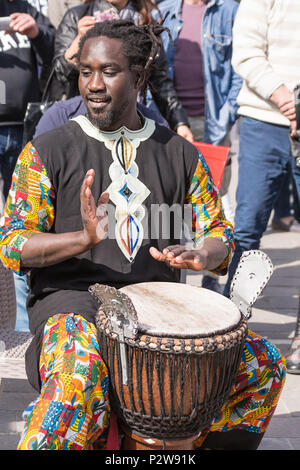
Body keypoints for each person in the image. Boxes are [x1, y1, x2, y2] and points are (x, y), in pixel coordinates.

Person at [0, 19, 285, 450]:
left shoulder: (180, 154)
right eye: (85, 71)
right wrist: (83, 238)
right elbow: (12, 243)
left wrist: (203, 256)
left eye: (109, 72)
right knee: (80, 371)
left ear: (140, 76)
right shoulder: (47, 151)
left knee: (263, 364)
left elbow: (219, 233)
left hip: (161, 318)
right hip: (73, 310)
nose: (93, 84)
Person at [222, 0, 300, 374]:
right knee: (248, 229)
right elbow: (248, 54)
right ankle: (227, 330)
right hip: (263, 120)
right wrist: (285, 97)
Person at [151, 0, 243, 293]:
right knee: (171, 205)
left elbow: (238, 68)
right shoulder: (163, 11)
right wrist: (172, 120)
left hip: (212, 121)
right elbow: (156, 72)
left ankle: (211, 280)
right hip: (168, 121)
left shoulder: (227, 10)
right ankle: (172, 274)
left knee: (212, 206)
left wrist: (227, 115)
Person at [49, 0, 193, 142]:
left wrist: (179, 122)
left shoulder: (144, 21)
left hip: (132, 123)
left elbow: (160, 80)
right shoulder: (77, 16)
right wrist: (80, 41)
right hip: (88, 119)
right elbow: (60, 72)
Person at [0, 0, 55, 331]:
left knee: (23, 225)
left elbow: (58, 54)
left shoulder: (24, 7)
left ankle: (20, 323)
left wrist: (36, 32)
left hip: (24, 128)